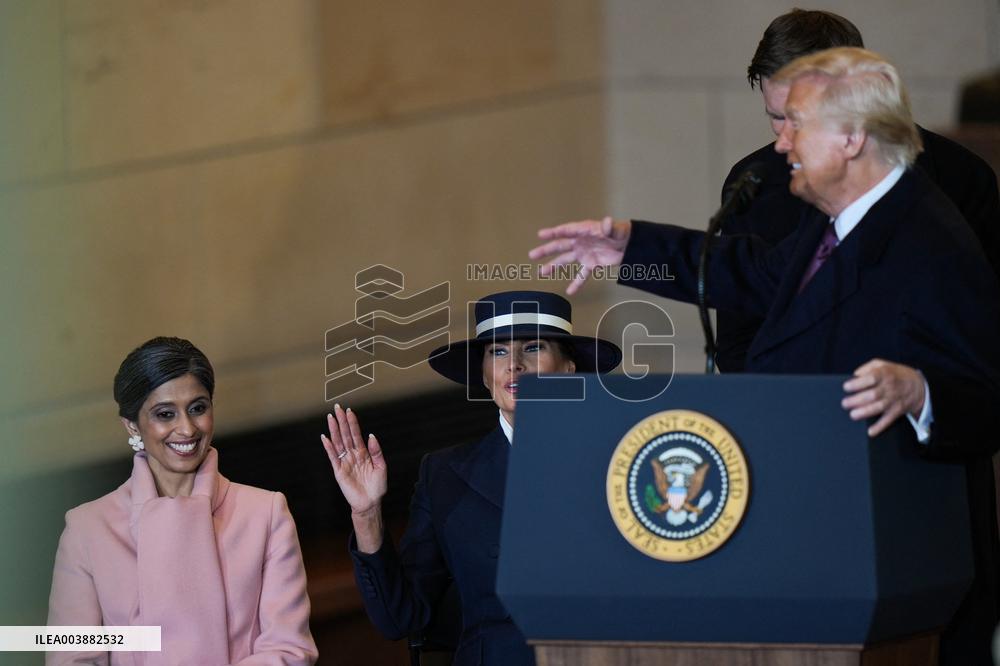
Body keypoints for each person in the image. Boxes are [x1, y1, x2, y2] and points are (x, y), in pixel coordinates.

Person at [530, 48, 1000, 665]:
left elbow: (987, 401)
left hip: (886, 572)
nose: (782, 145)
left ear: (853, 138)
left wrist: (919, 392)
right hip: (806, 547)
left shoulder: (930, 242)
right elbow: (752, 271)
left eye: (797, 123)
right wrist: (632, 248)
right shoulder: (836, 221)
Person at [321, 291, 621, 666]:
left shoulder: (619, 461)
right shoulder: (444, 475)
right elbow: (401, 619)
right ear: (483, 374)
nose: (514, 364)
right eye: (497, 352)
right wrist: (366, 514)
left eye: (533, 347)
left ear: (568, 368)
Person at [718, 9, 1000, 372]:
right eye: (776, 117)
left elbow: (982, 335)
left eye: (802, 117)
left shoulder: (962, 178)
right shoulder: (753, 182)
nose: (786, 138)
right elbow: (738, 341)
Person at [47, 337, 317, 666]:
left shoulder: (266, 513)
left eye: (197, 408)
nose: (186, 428)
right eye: (165, 414)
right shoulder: (87, 529)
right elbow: (73, 656)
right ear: (132, 424)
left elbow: (289, 650)